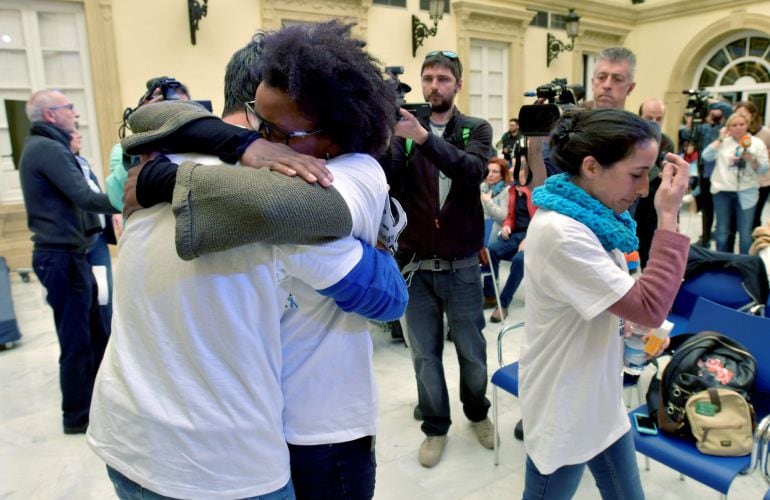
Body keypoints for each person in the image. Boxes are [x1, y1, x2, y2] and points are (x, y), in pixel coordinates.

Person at [90, 22, 407, 500]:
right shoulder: (243, 171)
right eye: (258, 121)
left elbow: (386, 293)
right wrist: (236, 146)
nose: (265, 138)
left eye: (278, 131)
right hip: (214, 457)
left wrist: (161, 179)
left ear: (335, 139)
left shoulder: (322, 185)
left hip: (158, 438)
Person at [520, 109, 690, 498]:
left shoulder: (595, 218)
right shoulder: (562, 232)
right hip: (564, 404)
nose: (645, 188)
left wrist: (627, 325)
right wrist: (668, 214)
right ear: (592, 167)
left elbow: (618, 300)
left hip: (599, 396)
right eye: (636, 173)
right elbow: (650, 306)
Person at [386, 50, 494, 468]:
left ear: (457, 85)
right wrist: (386, 132)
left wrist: (425, 138)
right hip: (415, 267)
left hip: (464, 266)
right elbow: (389, 181)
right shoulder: (402, 134)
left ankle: (477, 412)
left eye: (443, 78)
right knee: (425, 355)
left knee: (472, 351)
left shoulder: (474, 129)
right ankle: (435, 426)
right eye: (428, 78)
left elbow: (473, 171)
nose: (434, 85)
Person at [18, 90, 119, 434]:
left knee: (92, 332)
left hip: (67, 254)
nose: (75, 113)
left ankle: (95, 406)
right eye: (69, 108)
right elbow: (85, 196)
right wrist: (131, 200)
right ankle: (77, 416)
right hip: (60, 256)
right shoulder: (48, 149)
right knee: (77, 339)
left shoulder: (47, 147)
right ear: (50, 115)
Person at [105, 76, 191, 213]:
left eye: (181, 108)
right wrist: (145, 134)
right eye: (164, 109)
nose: (173, 115)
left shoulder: (199, 144)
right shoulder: (123, 151)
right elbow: (118, 198)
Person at [702, 112, 769, 254]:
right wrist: (720, 138)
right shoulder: (723, 142)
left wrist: (752, 159)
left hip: (747, 191)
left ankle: (744, 264)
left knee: (745, 233)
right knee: (722, 231)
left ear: (748, 125)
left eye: (742, 124)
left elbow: (764, 169)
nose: (738, 128)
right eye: (734, 125)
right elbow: (706, 156)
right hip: (722, 191)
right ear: (728, 127)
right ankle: (722, 262)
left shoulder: (756, 143)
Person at [70, 128, 116, 336]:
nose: (79, 135)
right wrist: (119, 204)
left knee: (105, 293)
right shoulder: (61, 167)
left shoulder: (84, 164)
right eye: (73, 132)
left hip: (98, 238)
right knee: (91, 296)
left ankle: (107, 339)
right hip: (81, 239)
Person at [487, 163, 535, 323]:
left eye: (518, 170)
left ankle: (503, 303)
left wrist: (529, 239)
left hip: (533, 236)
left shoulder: (535, 193)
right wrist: (507, 226)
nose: (513, 172)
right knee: (491, 250)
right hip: (515, 234)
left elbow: (541, 220)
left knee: (519, 260)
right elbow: (510, 216)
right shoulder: (513, 191)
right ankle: (490, 295)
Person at [634, 97, 676, 268]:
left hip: (654, 193)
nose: (654, 122)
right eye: (649, 118)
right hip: (633, 191)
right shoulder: (631, 138)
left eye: (658, 119)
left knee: (649, 233)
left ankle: (647, 267)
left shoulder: (666, 142)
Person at [733, 101, 770, 229]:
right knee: (736, 218)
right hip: (740, 181)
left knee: (754, 218)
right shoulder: (736, 131)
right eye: (737, 114)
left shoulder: (765, 132)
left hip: (761, 181)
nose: (740, 117)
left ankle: (755, 244)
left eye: (743, 114)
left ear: (752, 115)